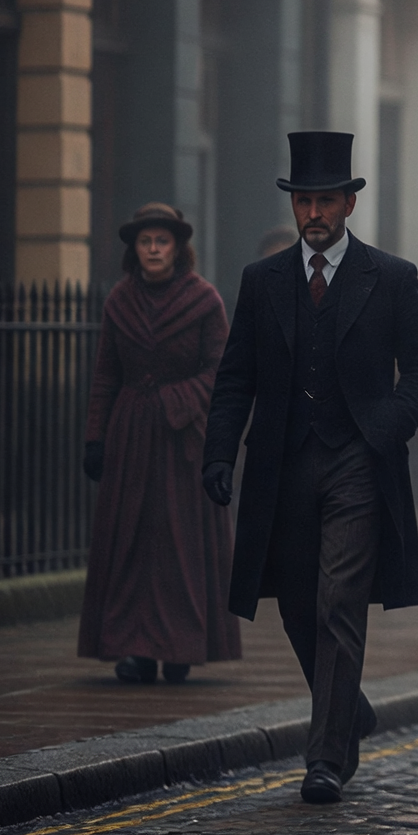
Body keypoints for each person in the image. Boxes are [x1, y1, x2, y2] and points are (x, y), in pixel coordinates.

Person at [202, 132, 418, 804]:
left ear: (348, 205)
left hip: (358, 466)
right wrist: (220, 452)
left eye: (326, 200)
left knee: (340, 600)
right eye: (305, 200)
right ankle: (349, 710)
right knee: (298, 606)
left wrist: (386, 429)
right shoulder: (262, 281)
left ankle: (326, 758)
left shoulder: (390, 278)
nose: (315, 212)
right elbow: (235, 380)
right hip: (282, 466)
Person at [78, 203, 239, 685]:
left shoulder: (205, 300)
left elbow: (220, 371)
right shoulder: (119, 302)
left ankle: (179, 648)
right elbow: (106, 374)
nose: (152, 249)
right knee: (132, 544)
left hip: (183, 439)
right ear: (135, 249)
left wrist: (178, 399)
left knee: (179, 546)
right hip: (130, 440)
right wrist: (95, 437)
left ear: (177, 247)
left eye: (161, 241)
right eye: (145, 242)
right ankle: (137, 651)